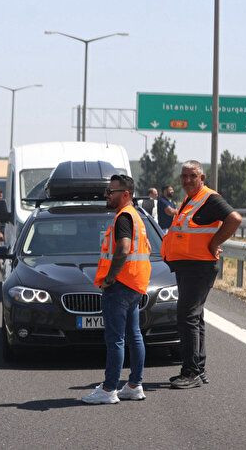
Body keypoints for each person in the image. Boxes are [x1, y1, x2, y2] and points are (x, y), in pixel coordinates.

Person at [161, 160, 242, 389]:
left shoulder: (210, 198)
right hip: (188, 266)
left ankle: (191, 372)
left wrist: (215, 242)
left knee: (186, 316)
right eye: (184, 176)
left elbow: (234, 219)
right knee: (195, 316)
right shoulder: (190, 199)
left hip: (200, 267)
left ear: (202, 178)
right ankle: (199, 368)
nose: (187, 180)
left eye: (192, 176)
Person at [82, 174, 151, 405]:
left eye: (111, 192)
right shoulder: (137, 216)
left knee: (115, 339)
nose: (106, 195)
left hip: (120, 285)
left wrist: (111, 277)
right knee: (134, 335)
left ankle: (109, 389)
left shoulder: (123, 217)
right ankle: (134, 385)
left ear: (126, 194)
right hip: (135, 284)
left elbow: (123, 249)